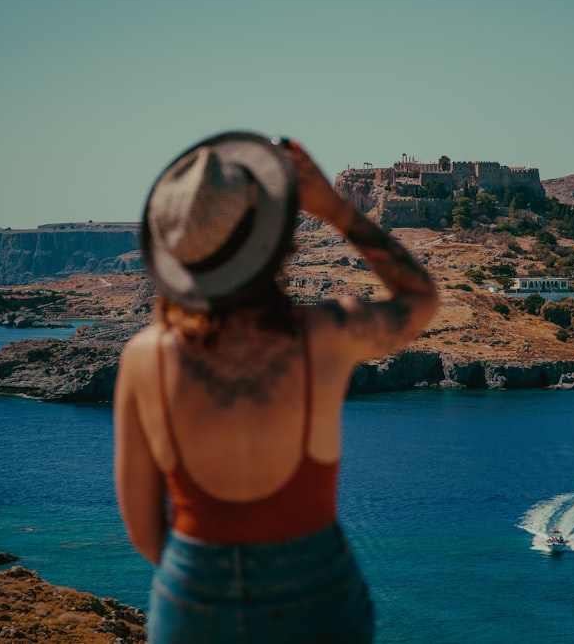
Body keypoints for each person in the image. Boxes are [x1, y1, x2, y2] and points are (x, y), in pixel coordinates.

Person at [114, 131, 438, 643]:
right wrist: (336, 209)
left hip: (191, 600)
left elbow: (143, 530)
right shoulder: (323, 335)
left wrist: (205, 577)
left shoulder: (145, 357)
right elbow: (419, 297)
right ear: (274, 239)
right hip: (317, 597)